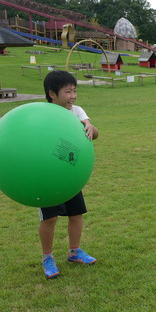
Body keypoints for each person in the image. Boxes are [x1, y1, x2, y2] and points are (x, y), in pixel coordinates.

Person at [40, 70, 99, 278]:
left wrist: (90, 126)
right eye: (68, 92)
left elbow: (95, 133)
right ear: (52, 94)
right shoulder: (43, 114)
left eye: (75, 91)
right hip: (47, 177)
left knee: (76, 214)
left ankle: (74, 252)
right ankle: (47, 257)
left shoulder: (77, 111)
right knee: (50, 218)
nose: (73, 96)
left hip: (71, 174)